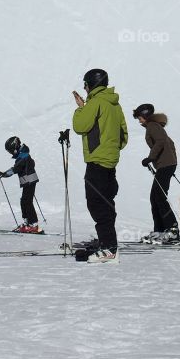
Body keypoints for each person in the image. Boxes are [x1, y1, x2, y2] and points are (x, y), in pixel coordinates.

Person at [72, 68, 128, 264]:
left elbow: (80, 126)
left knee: (97, 204)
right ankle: (106, 242)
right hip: (110, 162)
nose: (85, 89)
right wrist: (111, 149)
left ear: (91, 84)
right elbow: (123, 135)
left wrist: (81, 107)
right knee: (106, 203)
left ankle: (109, 249)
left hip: (97, 161)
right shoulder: (115, 104)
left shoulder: (95, 102)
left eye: (86, 85)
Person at [133, 103, 179, 243]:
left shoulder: (153, 126)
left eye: (140, 117)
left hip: (166, 165)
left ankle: (172, 230)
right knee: (155, 197)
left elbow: (161, 141)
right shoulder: (154, 126)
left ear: (145, 116)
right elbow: (169, 143)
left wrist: (151, 158)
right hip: (165, 165)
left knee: (159, 197)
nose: (139, 120)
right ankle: (160, 230)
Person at [0, 136, 42, 233]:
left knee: (27, 202)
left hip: (29, 181)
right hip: (28, 182)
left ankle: (33, 224)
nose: (11, 153)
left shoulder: (23, 157)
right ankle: (27, 222)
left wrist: (3, 174)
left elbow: (15, 169)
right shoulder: (23, 155)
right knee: (24, 201)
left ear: (15, 148)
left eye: (10, 151)